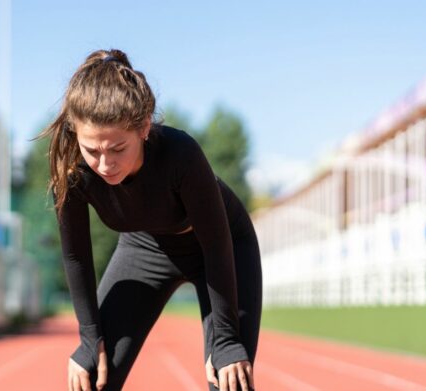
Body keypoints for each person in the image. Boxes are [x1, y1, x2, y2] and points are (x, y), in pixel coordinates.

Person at [39, 48, 262, 391]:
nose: (103, 164)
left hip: (219, 248)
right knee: (93, 377)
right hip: (145, 246)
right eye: (91, 149)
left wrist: (227, 341)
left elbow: (217, 246)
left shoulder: (181, 155)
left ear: (144, 128)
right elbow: (75, 256)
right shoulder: (71, 169)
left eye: (117, 149)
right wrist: (88, 338)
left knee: (229, 378)